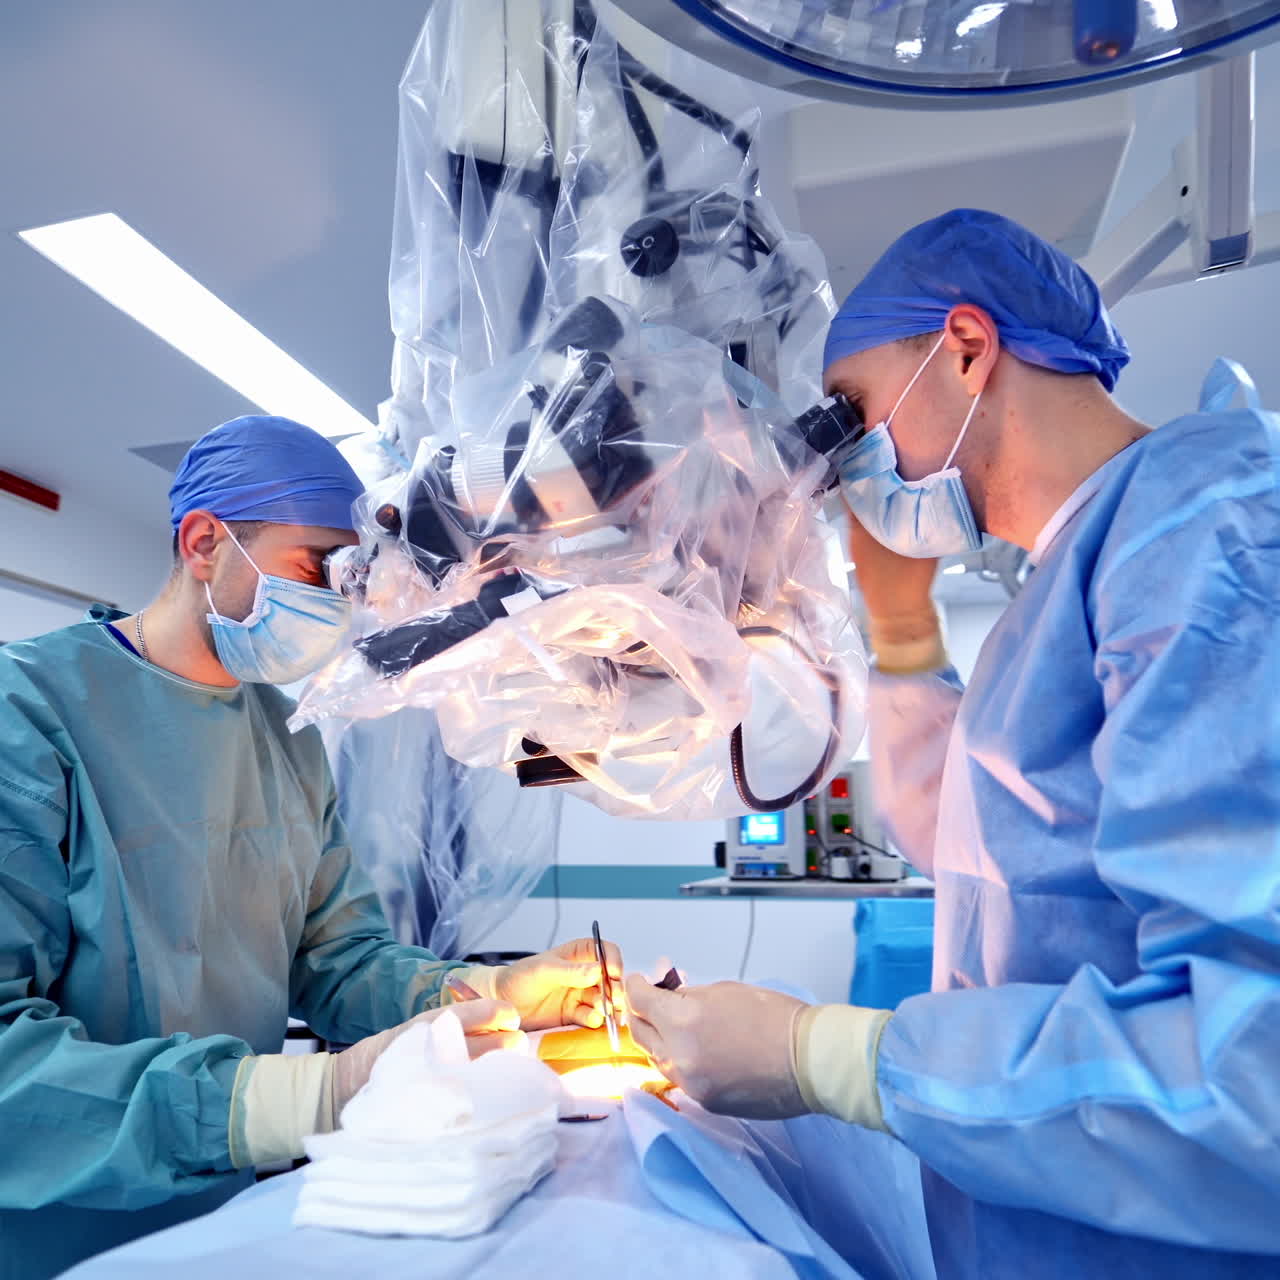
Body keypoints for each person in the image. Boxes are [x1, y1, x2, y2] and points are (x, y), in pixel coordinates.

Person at [627, 210, 1280, 1278]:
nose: (848, 466)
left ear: (967, 349)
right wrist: (898, 631)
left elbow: (1250, 1068)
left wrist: (826, 1056)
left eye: (852, 414)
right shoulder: (1079, 571)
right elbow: (991, 858)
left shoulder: (1207, 537)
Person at [0, 415, 623, 1280]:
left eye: (351, 575)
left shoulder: (286, 738)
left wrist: (482, 992)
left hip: (222, 1213)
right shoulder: (27, 714)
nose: (337, 601)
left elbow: (337, 958)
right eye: (315, 567)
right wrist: (309, 1095)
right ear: (204, 544)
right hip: (50, 1231)